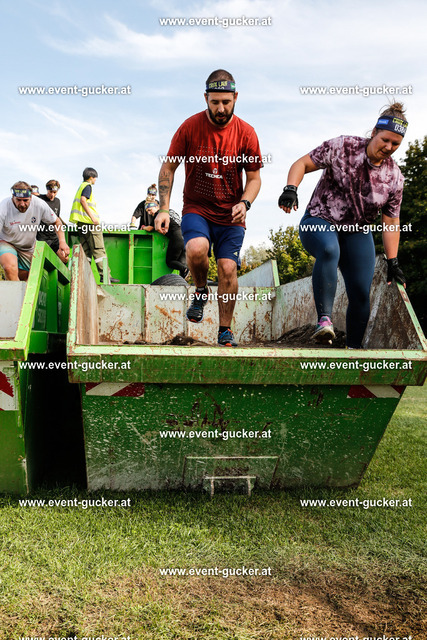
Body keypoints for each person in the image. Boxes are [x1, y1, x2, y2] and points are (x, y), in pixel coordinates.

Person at [278, 102, 408, 349]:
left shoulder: (394, 177)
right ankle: (324, 321)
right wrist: (291, 189)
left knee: (360, 292)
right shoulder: (343, 147)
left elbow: (391, 220)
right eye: (385, 140)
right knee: (329, 249)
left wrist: (393, 261)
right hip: (319, 220)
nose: (389, 147)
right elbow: (302, 163)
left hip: (357, 231)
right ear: (374, 132)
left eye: (395, 144)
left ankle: (354, 350)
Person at [157, 69, 263, 347]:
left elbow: (254, 178)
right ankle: (201, 290)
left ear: (236, 97)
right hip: (198, 208)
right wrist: (164, 208)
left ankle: (225, 330)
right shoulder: (190, 127)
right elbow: (168, 167)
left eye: (226, 102)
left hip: (231, 214)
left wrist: (245, 202)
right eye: (215, 102)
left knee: (227, 268)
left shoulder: (247, 133)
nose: (221, 108)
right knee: (195, 249)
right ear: (205, 98)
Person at [0, 181, 69, 281]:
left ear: (31, 197)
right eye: (18, 200)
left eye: (25, 200)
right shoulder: (3, 207)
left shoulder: (39, 204)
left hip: (28, 248)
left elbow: (56, 222)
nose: (22, 204)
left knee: (26, 279)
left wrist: (62, 242)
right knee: (9, 268)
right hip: (8, 242)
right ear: (13, 197)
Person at [69, 167, 119, 283]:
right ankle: (105, 275)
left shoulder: (80, 187)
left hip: (82, 224)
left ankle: (82, 274)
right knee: (98, 249)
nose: (95, 180)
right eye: (95, 178)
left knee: (86, 251)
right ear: (91, 177)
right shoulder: (87, 186)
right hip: (90, 223)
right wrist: (92, 218)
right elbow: (83, 200)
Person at [130, 185, 188, 278]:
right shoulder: (170, 211)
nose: (149, 213)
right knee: (181, 267)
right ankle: (184, 274)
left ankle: (185, 269)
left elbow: (150, 229)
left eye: (149, 210)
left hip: (177, 238)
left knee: (170, 262)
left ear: (156, 207)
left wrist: (143, 227)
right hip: (186, 237)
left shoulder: (158, 215)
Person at [37, 179, 68, 263]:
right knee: (42, 261)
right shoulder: (39, 199)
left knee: (65, 258)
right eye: (51, 192)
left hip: (54, 237)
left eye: (55, 192)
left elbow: (57, 220)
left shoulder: (57, 201)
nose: (52, 194)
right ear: (47, 189)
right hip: (42, 237)